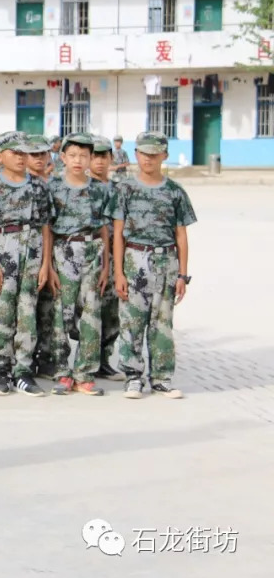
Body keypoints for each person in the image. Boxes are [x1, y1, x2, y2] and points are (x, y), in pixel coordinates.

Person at [111, 131, 196, 399]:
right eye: (144, 153)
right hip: (135, 259)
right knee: (132, 321)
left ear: (164, 156)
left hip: (166, 261)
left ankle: (161, 378)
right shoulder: (124, 189)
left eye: (154, 154)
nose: (148, 159)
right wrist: (118, 273)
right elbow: (117, 234)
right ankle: (133, 376)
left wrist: (182, 274)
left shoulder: (175, 192)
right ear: (136, 154)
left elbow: (181, 235)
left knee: (162, 324)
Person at [0, 131, 53, 397]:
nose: (22, 158)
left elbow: (45, 227)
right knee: (3, 313)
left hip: (32, 250)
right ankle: (2, 371)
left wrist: (45, 263)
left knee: (27, 312)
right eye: (15, 153)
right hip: (4, 249)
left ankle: (23, 371)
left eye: (24, 153)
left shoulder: (38, 186)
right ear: (0, 156)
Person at [47, 132, 111, 397]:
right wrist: (49, 265)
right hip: (63, 250)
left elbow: (105, 228)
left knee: (91, 313)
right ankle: (62, 372)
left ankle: (85, 373)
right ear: (62, 157)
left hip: (92, 250)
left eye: (84, 155)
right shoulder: (53, 187)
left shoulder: (98, 189)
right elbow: (47, 228)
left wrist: (106, 264)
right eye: (72, 155)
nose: (78, 160)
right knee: (61, 312)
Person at [90, 136, 123, 380]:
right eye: (95, 156)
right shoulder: (83, 187)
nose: (100, 161)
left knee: (110, 311)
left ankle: (104, 360)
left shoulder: (120, 189)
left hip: (115, 257)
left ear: (111, 158)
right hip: (89, 257)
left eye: (104, 156)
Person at [25, 134, 57, 379]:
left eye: (42, 154)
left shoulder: (51, 186)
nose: (38, 159)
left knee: (47, 310)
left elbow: (48, 227)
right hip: (24, 258)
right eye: (33, 154)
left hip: (51, 258)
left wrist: (48, 264)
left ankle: (44, 358)